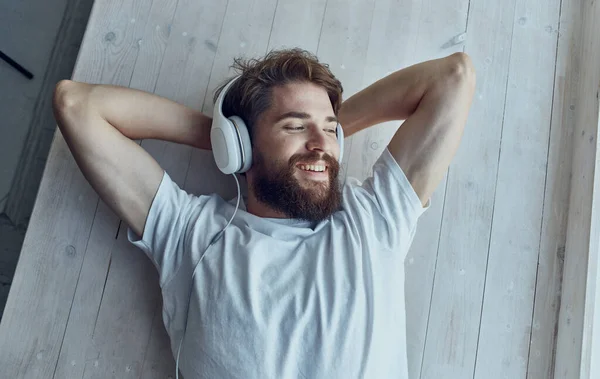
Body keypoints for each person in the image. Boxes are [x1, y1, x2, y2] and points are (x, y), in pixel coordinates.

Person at [52, 48, 475, 379]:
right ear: (243, 145)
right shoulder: (191, 236)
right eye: (295, 126)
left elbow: (453, 78)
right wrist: (224, 137)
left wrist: (318, 128)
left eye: (330, 129)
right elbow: (76, 105)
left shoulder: (374, 220)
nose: (322, 144)